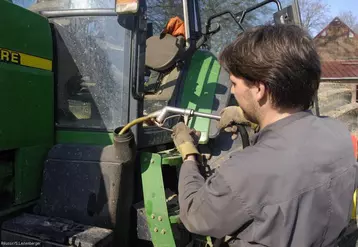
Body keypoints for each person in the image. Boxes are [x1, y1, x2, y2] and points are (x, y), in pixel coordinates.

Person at [171, 24, 358, 247]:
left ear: (259, 89)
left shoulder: (246, 170)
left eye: (234, 84)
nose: (232, 91)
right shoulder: (340, 134)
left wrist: (188, 153)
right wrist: (254, 117)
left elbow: (195, 215)